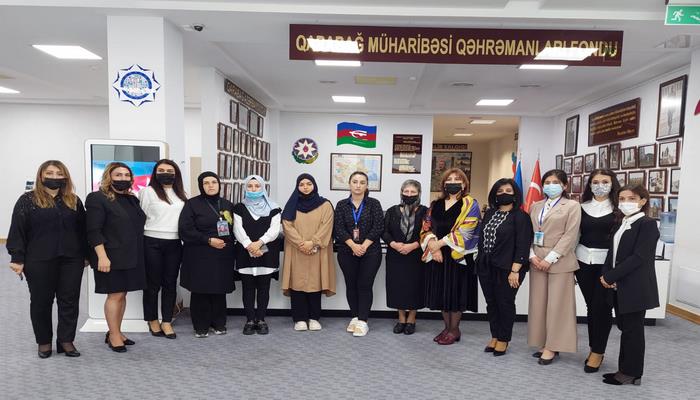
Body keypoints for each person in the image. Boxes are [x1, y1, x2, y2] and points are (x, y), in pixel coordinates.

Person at [7, 160, 87, 358]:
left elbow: (83, 230)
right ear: (41, 176)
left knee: (69, 301)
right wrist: (17, 258)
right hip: (39, 259)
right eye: (49, 173)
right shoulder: (27, 200)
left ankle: (66, 340)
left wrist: (87, 255)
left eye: (59, 173)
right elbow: (17, 230)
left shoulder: (74, 200)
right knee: (41, 302)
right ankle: (43, 341)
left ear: (65, 176)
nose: (54, 177)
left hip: (71, 259)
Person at [600, 185, 659, 386]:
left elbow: (639, 257)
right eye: (622, 198)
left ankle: (632, 373)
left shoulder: (648, 224)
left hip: (635, 286)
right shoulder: (622, 223)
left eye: (631, 198)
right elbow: (612, 253)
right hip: (620, 285)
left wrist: (611, 276)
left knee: (633, 331)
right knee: (625, 328)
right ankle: (623, 369)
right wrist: (605, 274)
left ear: (643, 201)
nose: (626, 202)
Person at [85, 162, 147, 353]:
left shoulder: (132, 199)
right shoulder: (97, 198)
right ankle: (113, 335)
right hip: (110, 256)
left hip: (131, 255)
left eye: (127, 175)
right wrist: (102, 257)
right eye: (118, 175)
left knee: (122, 294)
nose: (123, 178)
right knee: (115, 295)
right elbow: (93, 230)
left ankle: (117, 331)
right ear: (108, 177)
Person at [420, 168, 481, 345]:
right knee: (442, 293)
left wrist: (439, 243)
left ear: (464, 184)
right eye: (449, 179)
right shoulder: (436, 204)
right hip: (438, 256)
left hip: (459, 256)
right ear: (444, 184)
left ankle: (454, 330)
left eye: (457, 179)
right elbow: (426, 226)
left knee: (456, 293)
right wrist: (433, 246)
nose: (453, 182)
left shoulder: (470, 204)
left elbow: (468, 230)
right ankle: (446, 328)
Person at [528, 169, 581, 364]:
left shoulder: (572, 206)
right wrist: (532, 255)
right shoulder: (536, 206)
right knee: (539, 304)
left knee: (558, 306)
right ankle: (542, 342)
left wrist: (550, 258)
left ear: (564, 185)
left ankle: (553, 346)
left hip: (560, 260)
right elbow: (528, 233)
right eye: (547, 182)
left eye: (555, 182)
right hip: (536, 259)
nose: (550, 185)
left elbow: (570, 235)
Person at [476, 178, 532, 356]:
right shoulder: (490, 213)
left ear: (515, 195)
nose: (504, 194)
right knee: (491, 303)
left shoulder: (521, 217)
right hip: (486, 266)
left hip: (509, 269)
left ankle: (504, 339)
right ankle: (495, 335)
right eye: (500, 191)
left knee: (505, 303)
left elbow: (523, 245)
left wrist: (515, 270)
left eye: (508, 191)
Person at [178, 172, 235, 338]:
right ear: (201, 186)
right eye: (206, 183)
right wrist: (208, 240)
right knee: (200, 290)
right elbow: (185, 230)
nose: (210, 186)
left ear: (219, 184)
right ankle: (200, 326)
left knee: (219, 289)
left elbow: (234, 229)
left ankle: (219, 323)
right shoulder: (192, 204)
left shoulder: (227, 204)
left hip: (222, 254)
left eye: (214, 182)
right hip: (199, 253)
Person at [575, 169, 620, 372]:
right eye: (595, 182)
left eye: (604, 181)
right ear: (589, 185)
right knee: (591, 306)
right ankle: (594, 347)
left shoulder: (618, 209)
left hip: (607, 265)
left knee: (602, 307)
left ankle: (597, 351)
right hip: (583, 262)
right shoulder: (581, 207)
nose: (600, 185)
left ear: (612, 183)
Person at [280, 173, 335, 332]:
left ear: (314, 185)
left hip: (317, 250)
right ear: (297, 187)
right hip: (296, 250)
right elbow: (287, 225)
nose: (305, 187)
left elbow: (327, 226)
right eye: (302, 184)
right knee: (297, 283)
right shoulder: (292, 204)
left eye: (309, 184)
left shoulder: (325, 205)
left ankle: (314, 318)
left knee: (315, 283)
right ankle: (299, 319)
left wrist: (313, 243)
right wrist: (301, 244)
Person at [139, 159, 187, 339]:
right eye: (161, 170)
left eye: (170, 171)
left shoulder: (182, 194)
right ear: (155, 173)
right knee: (152, 284)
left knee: (170, 283)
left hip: (174, 243)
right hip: (151, 241)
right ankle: (152, 319)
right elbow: (141, 218)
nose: (165, 173)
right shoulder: (147, 192)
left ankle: (167, 321)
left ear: (176, 174)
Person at [334, 171, 385, 337]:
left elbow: (378, 226)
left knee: (364, 285)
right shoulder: (341, 205)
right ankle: (355, 317)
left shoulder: (374, 204)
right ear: (349, 184)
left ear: (367, 185)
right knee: (351, 285)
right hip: (346, 251)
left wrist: (363, 246)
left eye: (362, 182)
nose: (358, 185)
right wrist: (352, 245)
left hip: (371, 252)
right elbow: (338, 228)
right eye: (355, 182)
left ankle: (363, 321)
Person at [233, 175, 281, 335]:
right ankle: (249, 320)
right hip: (244, 252)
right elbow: (237, 229)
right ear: (246, 188)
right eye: (250, 186)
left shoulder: (274, 208)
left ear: (263, 188)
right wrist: (249, 245)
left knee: (263, 288)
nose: (253, 189)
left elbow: (274, 230)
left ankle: (260, 320)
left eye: (257, 186)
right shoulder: (239, 208)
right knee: (247, 288)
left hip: (266, 253)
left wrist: (259, 243)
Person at [383, 179, 427, 335]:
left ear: (419, 193)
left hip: (416, 256)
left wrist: (413, 245)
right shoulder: (392, 211)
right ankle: (401, 319)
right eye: (406, 191)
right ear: (401, 193)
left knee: (415, 287)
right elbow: (384, 231)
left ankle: (411, 319)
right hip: (395, 255)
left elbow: (430, 233)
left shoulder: (426, 212)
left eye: (413, 192)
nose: (409, 194)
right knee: (397, 287)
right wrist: (394, 244)